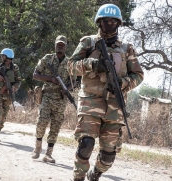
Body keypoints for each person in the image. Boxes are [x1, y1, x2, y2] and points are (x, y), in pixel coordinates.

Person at [67, 4, 144, 181]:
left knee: (108, 156)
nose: (109, 23)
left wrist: (123, 82)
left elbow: (139, 75)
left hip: (115, 107)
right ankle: (78, 178)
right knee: (86, 144)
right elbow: (70, 66)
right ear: (99, 22)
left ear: (118, 23)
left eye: (113, 21)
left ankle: (95, 174)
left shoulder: (127, 48)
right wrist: (91, 64)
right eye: (105, 20)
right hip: (90, 103)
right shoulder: (88, 42)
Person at [31, 35, 76, 163]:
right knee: (41, 122)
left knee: (55, 126)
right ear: (55, 45)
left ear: (66, 46)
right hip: (47, 96)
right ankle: (37, 148)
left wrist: (66, 88)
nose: (60, 46)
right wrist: (50, 79)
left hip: (61, 100)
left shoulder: (69, 62)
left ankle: (49, 154)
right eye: (58, 44)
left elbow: (74, 82)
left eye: (62, 44)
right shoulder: (47, 59)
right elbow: (35, 74)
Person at [0, 48, 22, 142]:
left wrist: (13, 88)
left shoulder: (15, 68)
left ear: (8, 57)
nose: (1, 57)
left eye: (3, 55)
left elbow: (19, 81)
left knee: (4, 115)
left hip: (8, 93)